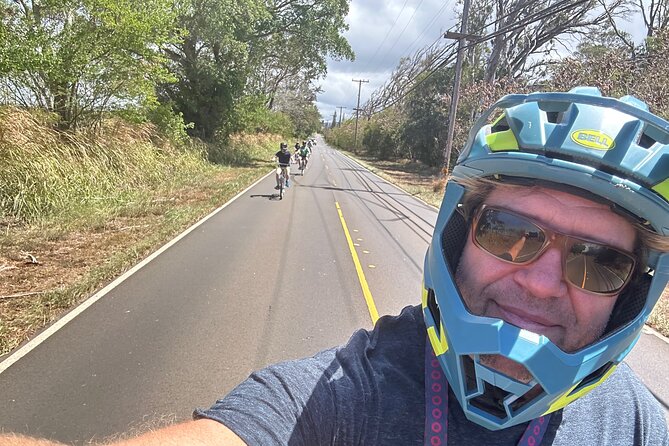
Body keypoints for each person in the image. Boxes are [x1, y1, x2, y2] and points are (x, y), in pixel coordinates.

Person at [3, 87, 668, 445]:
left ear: (632, 294)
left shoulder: (639, 425)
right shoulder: (339, 397)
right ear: (458, 236)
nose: (541, 280)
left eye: (597, 263)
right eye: (512, 233)